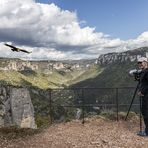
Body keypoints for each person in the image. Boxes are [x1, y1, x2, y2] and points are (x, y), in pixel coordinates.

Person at [137, 57, 148, 136]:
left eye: (141, 62)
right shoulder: (144, 72)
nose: (140, 64)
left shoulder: (147, 72)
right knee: (145, 112)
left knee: (146, 113)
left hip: (146, 96)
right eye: (139, 63)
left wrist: (142, 92)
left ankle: (147, 132)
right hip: (145, 95)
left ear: (146, 62)